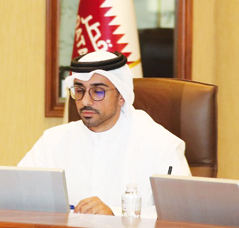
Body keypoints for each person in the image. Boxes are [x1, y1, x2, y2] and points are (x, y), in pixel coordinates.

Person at [19, 50, 190, 216]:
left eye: (98, 91)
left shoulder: (160, 144)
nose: (85, 101)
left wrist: (116, 214)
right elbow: (19, 195)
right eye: (79, 90)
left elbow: (181, 213)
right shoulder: (53, 141)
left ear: (121, 96)